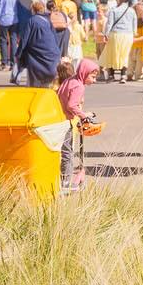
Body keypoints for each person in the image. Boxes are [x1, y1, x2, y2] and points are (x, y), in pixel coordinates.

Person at [55, 57, 99, 190]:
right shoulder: (79, 86)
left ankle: (63, 179)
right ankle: (66, 182)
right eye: (92, 77)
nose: (94, 80)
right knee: (67, 153)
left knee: (63, 151)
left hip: (58, 118)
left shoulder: (70, 80)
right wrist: (84, 115)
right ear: (84, 73)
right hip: (65, 121)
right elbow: (71, 105)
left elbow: (61, 95)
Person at [98, 0, 138, 83]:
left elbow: (109, 24)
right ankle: (123, 75)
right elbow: (134, 25)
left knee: (112, 53)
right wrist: (134, 34)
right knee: (124, 54)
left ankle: (111, 74)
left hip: (115, 34)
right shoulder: (131, 11)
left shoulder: (114, 10)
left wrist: (106, 34)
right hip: (128, 35)